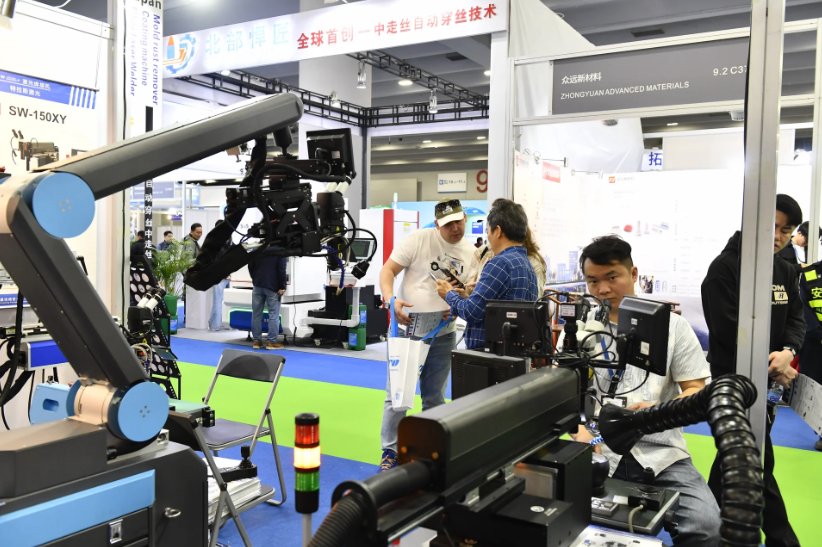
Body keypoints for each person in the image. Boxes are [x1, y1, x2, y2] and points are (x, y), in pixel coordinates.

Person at [569, 235, 720, 547]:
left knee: (708, 528)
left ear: (634, 274)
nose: (602, 289)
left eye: (612, 277)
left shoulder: (673, 328)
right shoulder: (579, 331)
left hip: (661, 453)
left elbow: (695, 389)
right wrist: (579, 432)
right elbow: (563, 391)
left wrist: (656, 415)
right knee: (545, 516)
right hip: (596, 451)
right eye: (593, 281)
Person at [701, 193, 804, 547]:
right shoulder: (724, 268)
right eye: (772, 226)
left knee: (736, 459)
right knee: (756, 458)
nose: (777, 236)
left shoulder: (784, 270)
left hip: (770, 383)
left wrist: (787, 353)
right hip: (733, 384)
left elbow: (797, 319)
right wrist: (771, 364)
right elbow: (728, 330)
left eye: (786, 230)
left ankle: (706, 523)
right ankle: (782, 540)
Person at [379, 198, 475, 471]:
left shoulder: (471, 252)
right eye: (448, 224)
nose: (455, 228)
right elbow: (388, 271)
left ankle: (428, 449)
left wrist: (457, 306)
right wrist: (390, 300)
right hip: (408, 328)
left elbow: (467, 291)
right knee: (398, 395)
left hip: (444, 332)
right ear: (437, 224)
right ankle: (390, 451)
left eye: (458, 221)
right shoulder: (418, 239)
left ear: (464, 218)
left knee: (435, 396)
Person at [436, 199, 539, 350]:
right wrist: (475, 293)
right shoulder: (527, 265)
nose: (488, 237)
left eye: (488, 231)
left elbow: (472, 312)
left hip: (489, 356)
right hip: (514, 353)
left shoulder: (499, 264)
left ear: (498, 231)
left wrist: (449, 294)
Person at [464, 216, 547, 298]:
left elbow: (533, 300)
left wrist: (488, 293)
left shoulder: (533, 263)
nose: (489, 233)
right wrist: (482, 288)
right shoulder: (482, 253)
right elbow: (469, 290)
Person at [248, 247, 287, 350]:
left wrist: (255, 279)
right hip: (272, 286)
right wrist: (282, 286)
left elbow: (250, 266)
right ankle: (271, 342)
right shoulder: (280, 251)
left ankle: (257, 341)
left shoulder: (256, 250)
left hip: (258, 285)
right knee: (273, 315)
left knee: (256, 315)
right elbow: (281, 269)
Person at [208, 221, 232, 332]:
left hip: (218, 275)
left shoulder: (215, 241)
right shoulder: (229, 238)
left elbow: (215, 260)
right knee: (226, 301)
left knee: (217, 301)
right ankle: (227, 324)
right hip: (228, 274)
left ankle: (214, 325)